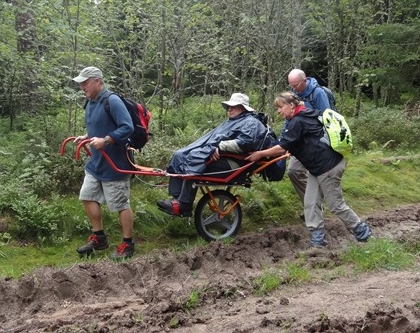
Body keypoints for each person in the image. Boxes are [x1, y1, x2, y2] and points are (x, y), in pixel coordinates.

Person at [247, 92, 371, 248]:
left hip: (329, 167)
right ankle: (318, 242)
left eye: (280, 107)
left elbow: (283, 146)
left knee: (336, 205)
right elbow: (304, 140)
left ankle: (364, 233)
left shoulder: (298, 121)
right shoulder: (306, 114)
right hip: (317, 168)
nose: (278, 111)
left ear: (291, 105)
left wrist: (260, 154)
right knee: (311, 203)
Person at [157, 93, 277, 217]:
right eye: (228, 107)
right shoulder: (232, 121)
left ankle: (184, 204)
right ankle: (177, 199)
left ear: (243, 108)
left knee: (194, 160)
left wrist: (219, 147)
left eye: (233, 107)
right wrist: (210, 149)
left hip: (234, 164)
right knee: (180, 155)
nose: (229, 109)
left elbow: (245, 142)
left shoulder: (250, 122)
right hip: (222, 158)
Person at [72, 66, 136, 260]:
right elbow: (98, 126)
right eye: (80, 83)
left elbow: (127, 127)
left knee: (120, 204)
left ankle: (128, 244)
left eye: (85, 83)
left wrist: (106, 140)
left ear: (98, 81)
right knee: (87, 196)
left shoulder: (112, 101)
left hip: (115, 163)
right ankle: (99, 238)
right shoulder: (90, 101)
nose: (82, 87)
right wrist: (86, 136)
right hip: (96, 163)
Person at [285, 69, 332, 207]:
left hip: (316, 142)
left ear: (304, 80)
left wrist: (305, 109)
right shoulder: (293, 95)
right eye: (291, 86)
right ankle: (313, 205)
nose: (294, 89)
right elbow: (288, 120)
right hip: (299, 141)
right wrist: (285, 141)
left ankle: (313, 208)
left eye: (296, 85)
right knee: (293, 171)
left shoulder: (318, 93)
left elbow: (326, 117)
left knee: (317, 173)